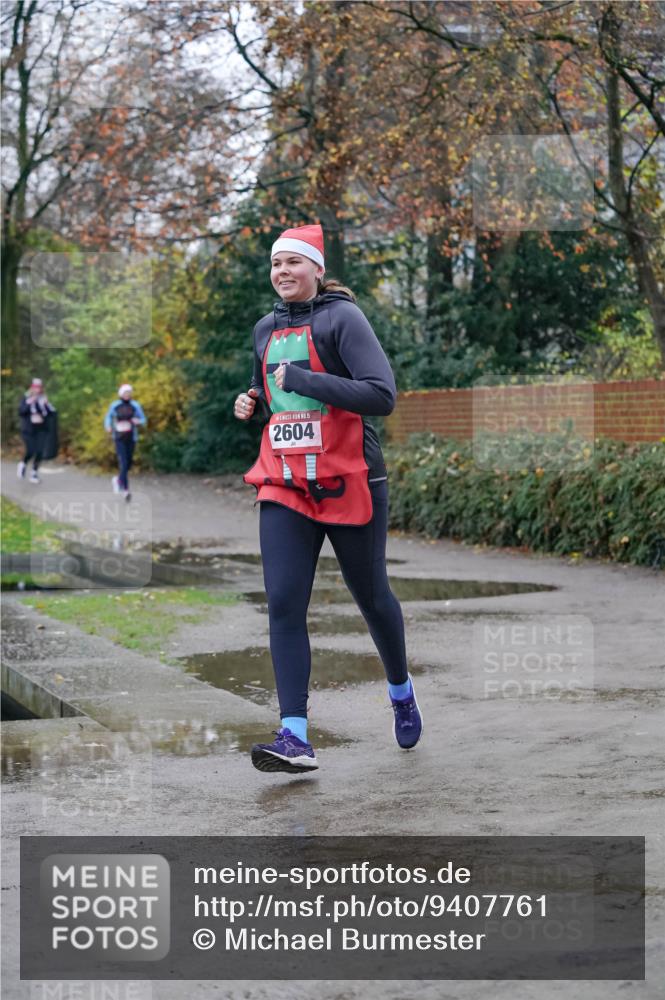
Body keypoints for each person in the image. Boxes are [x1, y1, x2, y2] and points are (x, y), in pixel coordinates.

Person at [235, 223, 423, 775]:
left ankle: (400, 689)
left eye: (294, 263)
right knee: (284, 602)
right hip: (284, 480)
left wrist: (308, 378)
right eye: (276, 265)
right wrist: (250, 401)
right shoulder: (264, 328)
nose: (283, 272)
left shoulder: (343, 318)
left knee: (373, 598)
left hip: (350, 477)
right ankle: (294, 734)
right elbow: (270, 392)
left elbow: (381, 395)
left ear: (317, 269)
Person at [104, 384, 146, 501]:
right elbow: (108, 417)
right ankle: (125, 490)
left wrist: (138, 421)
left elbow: (143, 419)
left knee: (128, 464)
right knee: (123, 462)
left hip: (132, 437)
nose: (127, 395)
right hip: (119, 437)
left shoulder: (135, 405)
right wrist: (108, 427)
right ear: (121, 394)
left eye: (129, 393)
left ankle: (118, 480)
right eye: (125, 393)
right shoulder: (115, 405)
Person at [17, 378, 57, 484]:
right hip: (28, 430)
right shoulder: (26, 398)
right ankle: (23, 464)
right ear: (32, 388)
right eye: (35, 387)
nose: (37, 390)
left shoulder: (43, 399)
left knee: (39, 451)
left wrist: (46, 405)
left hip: (41, 429)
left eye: (39, 387)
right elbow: (21, 412)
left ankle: (34, 473)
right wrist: (31, 402)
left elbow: (52, 413)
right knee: (31, 451)